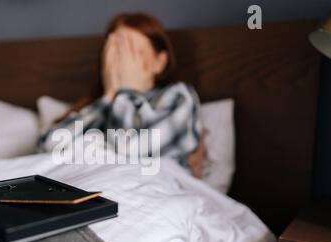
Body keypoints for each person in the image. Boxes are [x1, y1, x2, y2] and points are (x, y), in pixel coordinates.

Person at [39, 12, 206, 177]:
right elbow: (46, 148)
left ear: (159, 62)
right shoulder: (97, 107)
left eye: (134, 53)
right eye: (116, 53)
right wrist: (109, 97)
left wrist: (124, 91)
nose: (123, 63)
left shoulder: (178, 96)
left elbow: (128, 153)